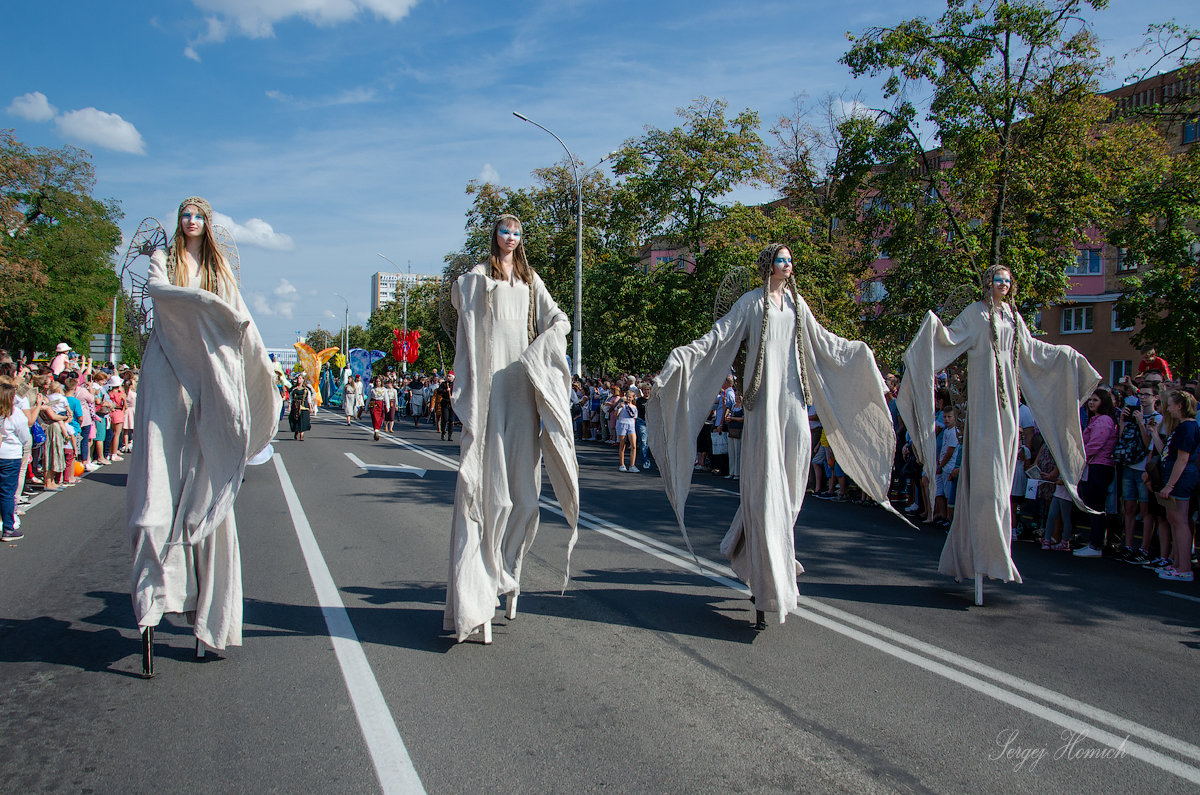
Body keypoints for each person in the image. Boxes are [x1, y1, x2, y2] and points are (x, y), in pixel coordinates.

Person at [651, 243, 904, 629]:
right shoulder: (752, 303)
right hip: (762, 407)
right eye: (782, 260)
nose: (788, 265)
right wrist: (682, 356)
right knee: (766, 491)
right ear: (768, 265)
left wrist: (860, 353)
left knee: (791, 491)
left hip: (794, 406)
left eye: (790, 259)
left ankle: (748, 549)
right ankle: (768, 581)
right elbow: (718, 337)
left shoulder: (798, 307)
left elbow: (826, 343)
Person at [127, 196, 280, 675]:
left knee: (209, 487)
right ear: (179, 223)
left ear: (207, 224)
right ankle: (154, 600)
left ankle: (210, 617)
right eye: (185, 215)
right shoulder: (163, 262)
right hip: (167, 368)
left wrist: (260, 379)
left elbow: (242, 323)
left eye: (198, 216)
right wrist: (200, 302)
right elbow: (160, 294)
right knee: (156, 490)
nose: (191, 222)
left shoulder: (220, 274)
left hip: (209, 376)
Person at [897, 265, 1100, 593]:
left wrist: (1064, 355)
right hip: (984, 405)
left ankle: (990, 555)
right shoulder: (976, 314)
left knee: (1001, 484)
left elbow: (1032, 352)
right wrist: (932, 330)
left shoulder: (1012, 316)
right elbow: (948, 339)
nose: (1003, 284)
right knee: (985, 484)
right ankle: (986, 556)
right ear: (987, 283)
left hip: (1007, 407)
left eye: (1007, 280)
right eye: (997, 279)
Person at [444, 214, 579, 644]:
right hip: (490, 392)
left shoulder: (529, 278)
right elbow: (458, 295)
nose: (511, 238)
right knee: (490, 492)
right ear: (495, 237)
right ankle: (481, 586)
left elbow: (559, 319)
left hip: (522, 388)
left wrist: (544, 345)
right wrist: (471, 283)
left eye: (517, 233)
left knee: (525, 494)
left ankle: (510, 572)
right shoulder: (479, 277)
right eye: (505, 231)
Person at [1154, 390, 1198, 581]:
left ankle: (1184, 568)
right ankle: (1178, 563)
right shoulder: (1182, 427)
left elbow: (1182, 458)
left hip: (1180, 478)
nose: (1168, 408)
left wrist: (1169, 485)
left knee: (1180, 521)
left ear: (1180, 406)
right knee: (1174, 520)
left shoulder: (1187, 427)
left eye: (1171, 405)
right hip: (1176, 476)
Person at [1073, 389, 1119, 558]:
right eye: (1090, 400)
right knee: (1093, 505)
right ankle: (1094, 543)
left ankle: (1096, 545)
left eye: (1096, 400)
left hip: (1100, 466)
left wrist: (1080, 457)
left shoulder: (1104, 421)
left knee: (1096, 507)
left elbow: (1095, 445)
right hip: (1094, 465)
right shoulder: (1097, 419)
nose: (1091, 402)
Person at [1, 376, 32, 541]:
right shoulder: (16, 413)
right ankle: (7, 528)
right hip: (10, 455)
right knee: (7, 492)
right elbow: (24, 436)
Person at [615, 388, 639, 471]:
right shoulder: (622, 405)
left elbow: (634, 419)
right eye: (627, 397)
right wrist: (618, 407)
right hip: (622, 425)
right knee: (622, 445)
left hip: (631, 426)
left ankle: (632, 465)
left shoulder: (634, 407)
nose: (628, 399)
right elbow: (616, 416)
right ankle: (622, 464)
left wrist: (634, 427)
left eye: (630, 397)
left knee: (634, 445)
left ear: (633, 398)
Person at [288, 376, 313, 441]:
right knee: (295, 419)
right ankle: (296, 431)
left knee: (303, 420)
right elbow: (290, 398)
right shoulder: (294, 389)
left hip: (304, 406)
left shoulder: (306, 390)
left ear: (303, 380)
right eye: (298, 378)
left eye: (300, 378)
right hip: (295, 406)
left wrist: (310, 407)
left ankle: (301, 434)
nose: (299, 380)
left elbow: (309, 399)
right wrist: (289, 406)